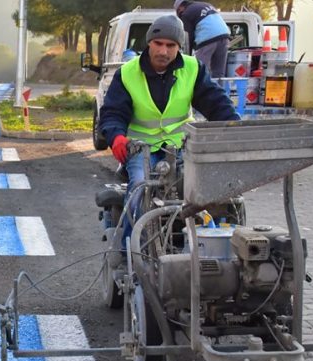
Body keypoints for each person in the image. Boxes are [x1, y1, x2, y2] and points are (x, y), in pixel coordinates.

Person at [97, 14, 239, 247]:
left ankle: (195, 247)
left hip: (181, 146)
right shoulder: (128, 73)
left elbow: (216, 103)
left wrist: (234, 128)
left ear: (179, 47)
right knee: (139, 192)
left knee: (201, 193)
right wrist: (117, 137)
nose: (163, 51)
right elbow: (112, 112)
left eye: (170, 45)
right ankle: (130, 252)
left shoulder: (193, 68)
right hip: (140, 149)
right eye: (158, 44)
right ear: (149, 43)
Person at [174, 0, 231, 78]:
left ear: (180, 7)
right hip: (225, 36)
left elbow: (188, 38)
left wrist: (187, 57)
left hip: (207, 39)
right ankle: (218, 89)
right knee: (219, 73)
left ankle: (199, 90)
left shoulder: (186, 13)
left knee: (199, 71)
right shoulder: (206, 5)